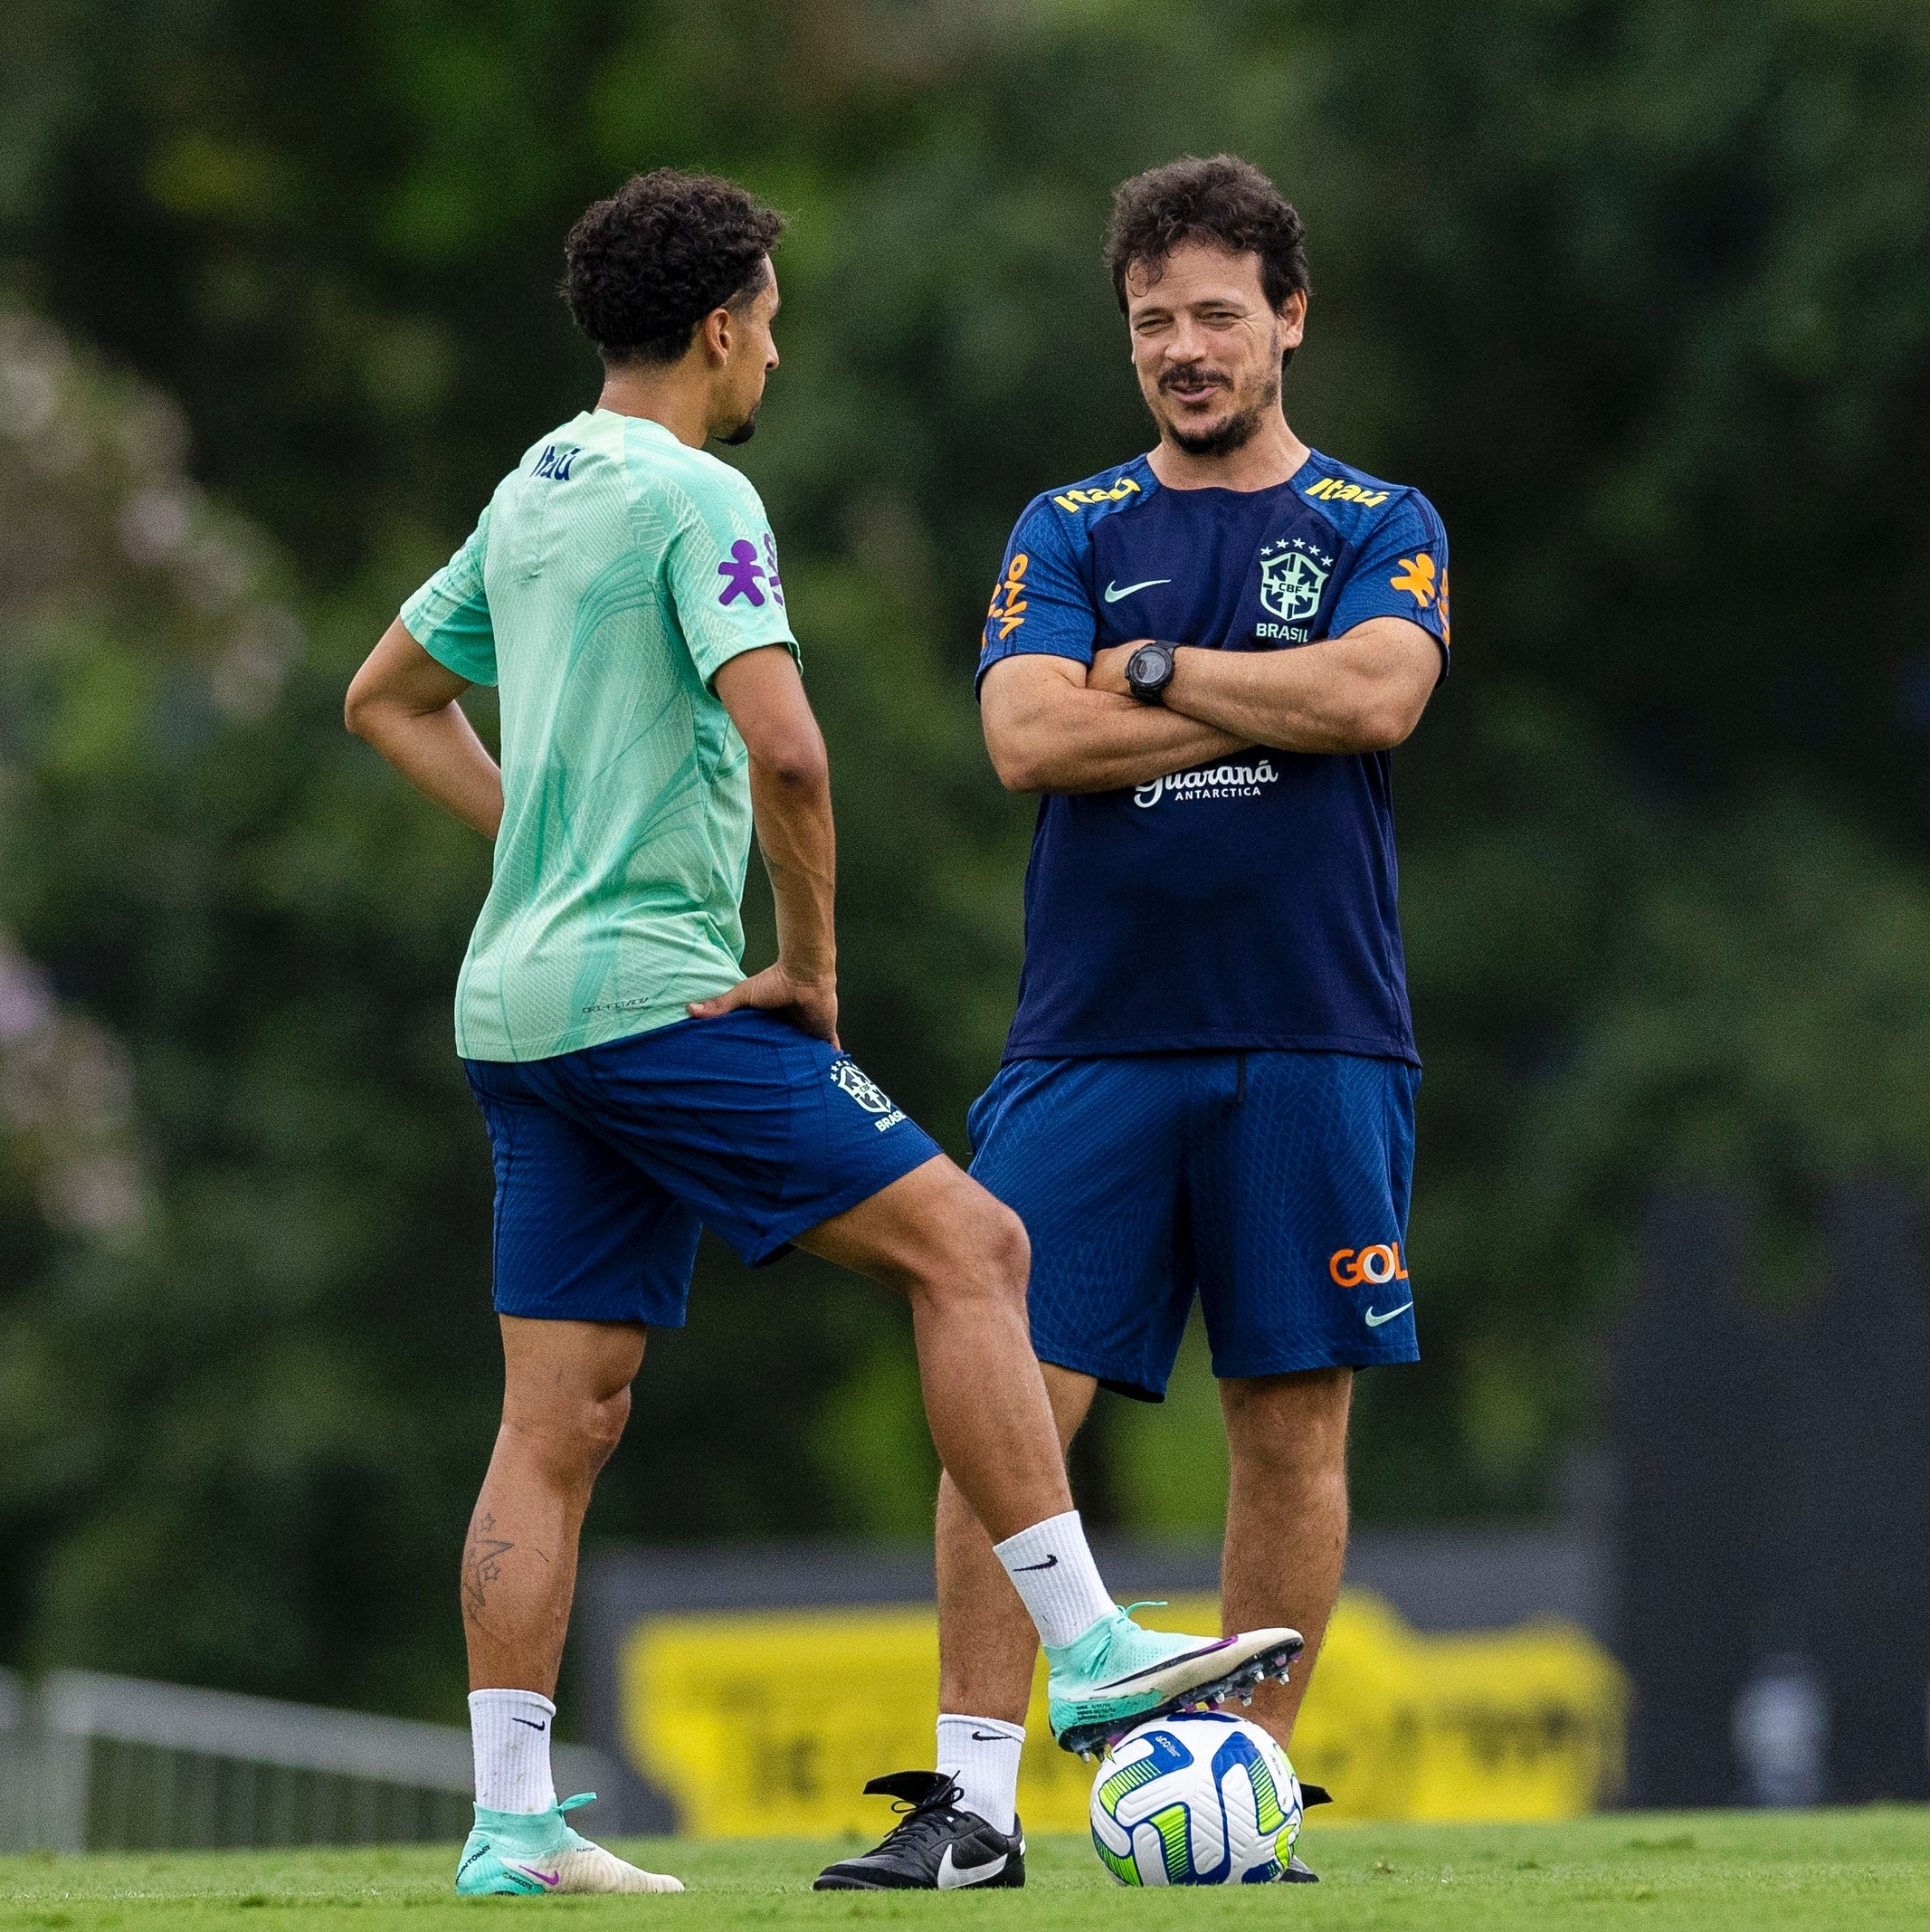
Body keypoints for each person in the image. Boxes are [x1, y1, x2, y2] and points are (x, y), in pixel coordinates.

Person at [344, 167, 1298, 1899]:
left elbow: (385, 699)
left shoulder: (537, 480)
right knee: (973, 1245)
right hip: (657, 1000)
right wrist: (811, 972)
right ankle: (1088, 1648)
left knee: (556, 1419)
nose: (775, 353)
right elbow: (788, 748)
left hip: (516, 1009)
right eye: (770, 321)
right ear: (721, 327)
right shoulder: (697, 493)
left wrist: (538, 851)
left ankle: (506, 1825)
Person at [819, 154, 1447, 1890]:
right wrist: (1279, 710)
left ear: (1288, 320)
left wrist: (1153, 673)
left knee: (1290, 1423)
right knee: (1005, 1400)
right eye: (1152, 320)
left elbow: (1381, 693)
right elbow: (1025, 739)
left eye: (1217, 315)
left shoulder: (1382, 520)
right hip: (1088, 1037)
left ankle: (1249, 1799)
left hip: (1318, 1032)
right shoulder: (1069, 524)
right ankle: (971, 1805)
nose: (1184, 346)